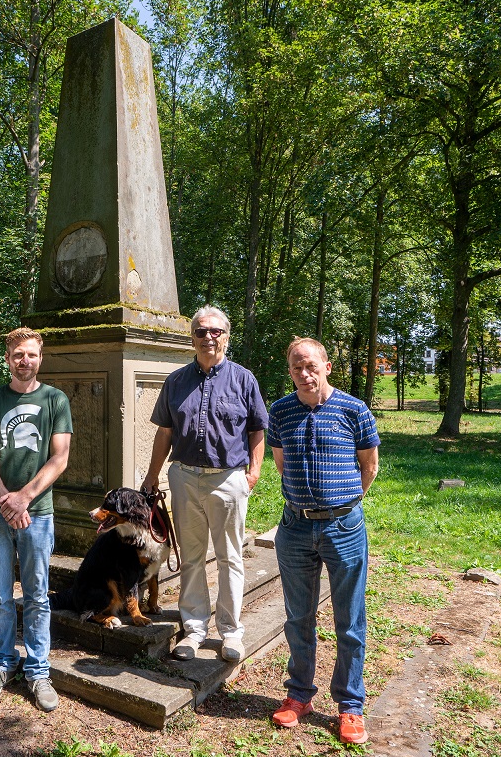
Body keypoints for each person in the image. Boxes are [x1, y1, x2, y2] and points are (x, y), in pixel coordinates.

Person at [266, 337, 380, 745]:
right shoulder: (279, 411)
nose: (305, 373)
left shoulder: (354, 409)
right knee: (298, 616)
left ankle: (350, 705)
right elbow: (281, 464)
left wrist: (342, 504)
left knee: (349, 619)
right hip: (295, 528)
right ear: (291, 371)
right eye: (297, 367)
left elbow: (370, 467)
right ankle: (299, 695)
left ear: (327, 366)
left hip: (343, 527)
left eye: (311, 365)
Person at [142, 306, 268, 663]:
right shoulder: (176, 381)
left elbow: (258, 429)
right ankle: (194, 629)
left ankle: (231, 632)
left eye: (215, 331)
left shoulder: (244, 380)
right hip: (184, 477)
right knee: (193, 558)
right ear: (192, 338)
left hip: (228, 478)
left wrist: (253, 473)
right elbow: (164, 432)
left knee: (230, 557)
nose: (208, 337)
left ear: (226, 336)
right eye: (200, 331)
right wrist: (152, 476)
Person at [0, 327, 72, 711]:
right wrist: (5, 501)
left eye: (31, 354)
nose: (24, 361)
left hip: (38, 514)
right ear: (8, 358)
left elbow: (59, 457)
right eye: (17, 355)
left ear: (40, 357)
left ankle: (38, 670)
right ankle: (3, 663)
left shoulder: (55, 400)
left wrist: (24, 499)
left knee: (36, 596)